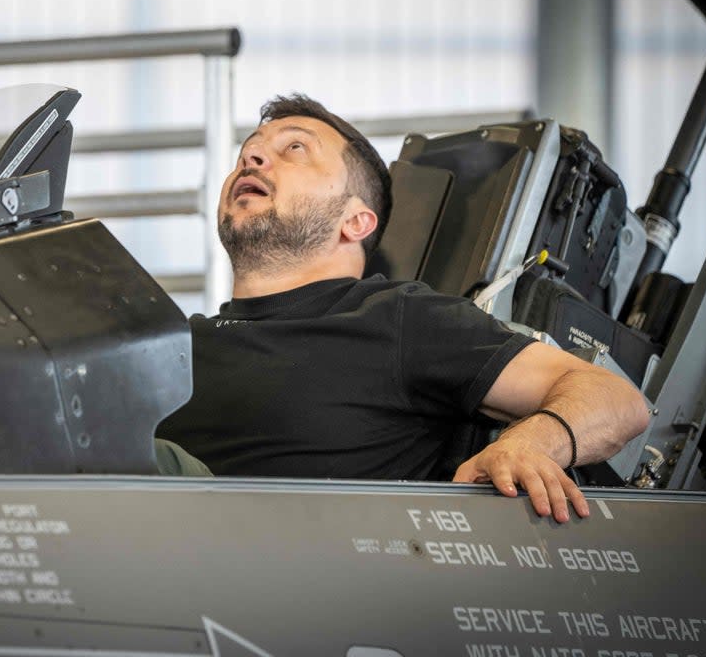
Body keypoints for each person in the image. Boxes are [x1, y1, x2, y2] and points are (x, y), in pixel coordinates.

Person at [157, 93, 649, 522]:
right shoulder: (170, 345)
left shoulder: (395, 318)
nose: (254, 160)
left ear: (355, 220)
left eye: (294, 148)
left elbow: (615, 399)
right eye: (249, 154)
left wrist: (530, 443)